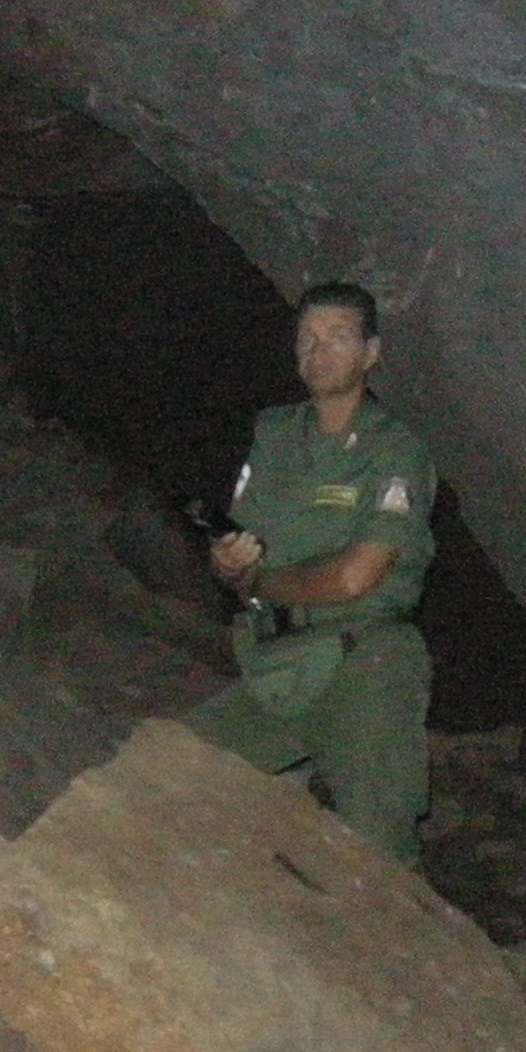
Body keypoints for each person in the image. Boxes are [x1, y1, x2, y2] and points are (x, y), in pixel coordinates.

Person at [186, 282, 438, 864]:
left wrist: (259, 583)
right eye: (307, 339)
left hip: (362, 663)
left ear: (371, 353)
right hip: (279, 661)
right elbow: (241, 554)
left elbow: (355, 579)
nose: (317, 353)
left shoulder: (395, 448)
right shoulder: (274, 434)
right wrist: (230, 568)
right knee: (175, 770)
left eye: (337, 339)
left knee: (376, 853)